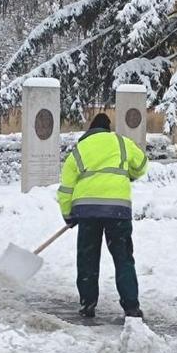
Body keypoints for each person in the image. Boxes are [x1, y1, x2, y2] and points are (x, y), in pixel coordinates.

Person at [57, 113, 148, 320]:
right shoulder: (122, 143)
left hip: (87, 212)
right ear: (108, 129)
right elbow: (142, 165)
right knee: (123, 257)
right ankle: (131, 307)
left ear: (90, 130)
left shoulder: (80, 149)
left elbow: (65, 189)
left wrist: (68, 215)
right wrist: (128, 174)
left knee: (87, 257)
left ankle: (88, 304)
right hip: (118, 210)